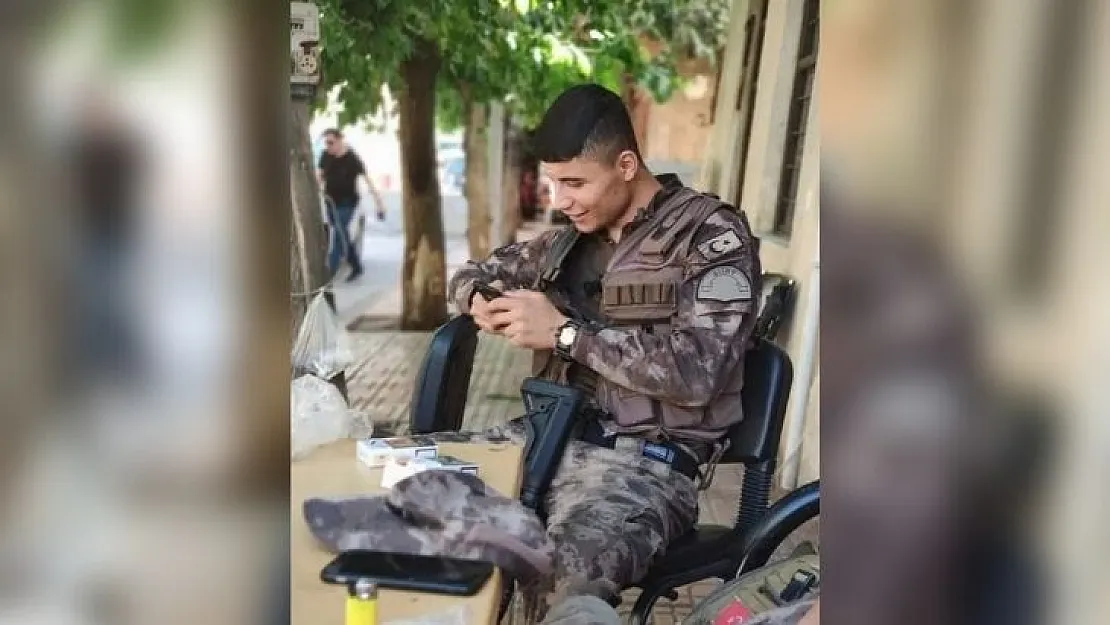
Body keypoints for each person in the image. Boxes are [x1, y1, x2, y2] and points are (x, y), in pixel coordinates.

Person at [447, 83, 762, 620]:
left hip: (644, 467)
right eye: (553, 183)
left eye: (574, 183)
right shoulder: (567, 240)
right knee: (400, 487)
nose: (561, 200)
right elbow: (472, 274)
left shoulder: (712, 237)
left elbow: (697, 372)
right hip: (541, 439)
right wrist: (478, 299)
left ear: (625, 164)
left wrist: (566, 335)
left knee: (558, 582)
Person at [316, 128, 385, 281]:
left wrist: (379, 204)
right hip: (331, 201)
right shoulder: (325, 156)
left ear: (340, 140)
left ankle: (328, 275)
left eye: (331, 142)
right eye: (326, 143)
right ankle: (356, 265)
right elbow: (319, 176)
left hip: (348, 203)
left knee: (339, 234)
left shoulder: (352, 159)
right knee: (342, 234)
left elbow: (368, 181)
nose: (328, 146)